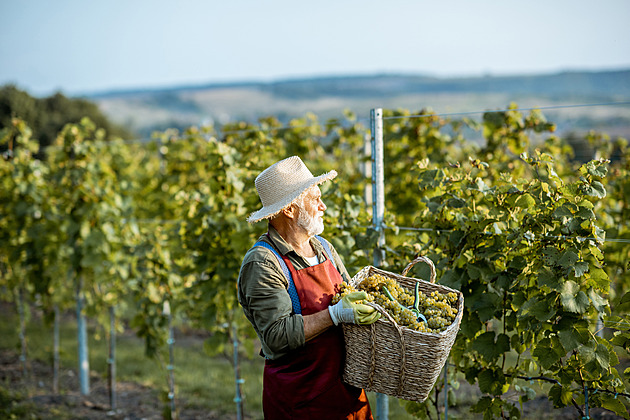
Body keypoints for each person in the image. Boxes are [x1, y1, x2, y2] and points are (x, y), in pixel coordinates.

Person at [237, 156, 380, 419]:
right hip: (300, 400)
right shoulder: (264, 262)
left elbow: (351, 297)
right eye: (315, 199)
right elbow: (276, 336)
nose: (323, 206)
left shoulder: (324, 248)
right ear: (290, 209)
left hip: (346, 393)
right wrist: (334, 315)